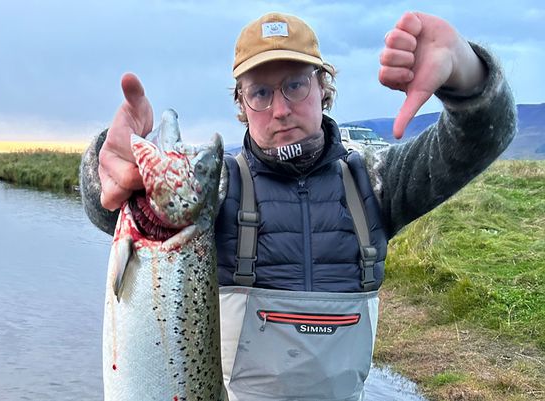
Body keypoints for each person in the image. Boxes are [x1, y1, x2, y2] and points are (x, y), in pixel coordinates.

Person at [80, 11, 516, 401]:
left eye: (295, 85)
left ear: (323, 87)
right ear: (241, 104)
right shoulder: (215, 191)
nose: (281, 108)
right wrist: (108, 165)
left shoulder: (375, 183)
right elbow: (120, 220)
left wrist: (465, 70)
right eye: (261, 93)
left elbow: (482, 137)